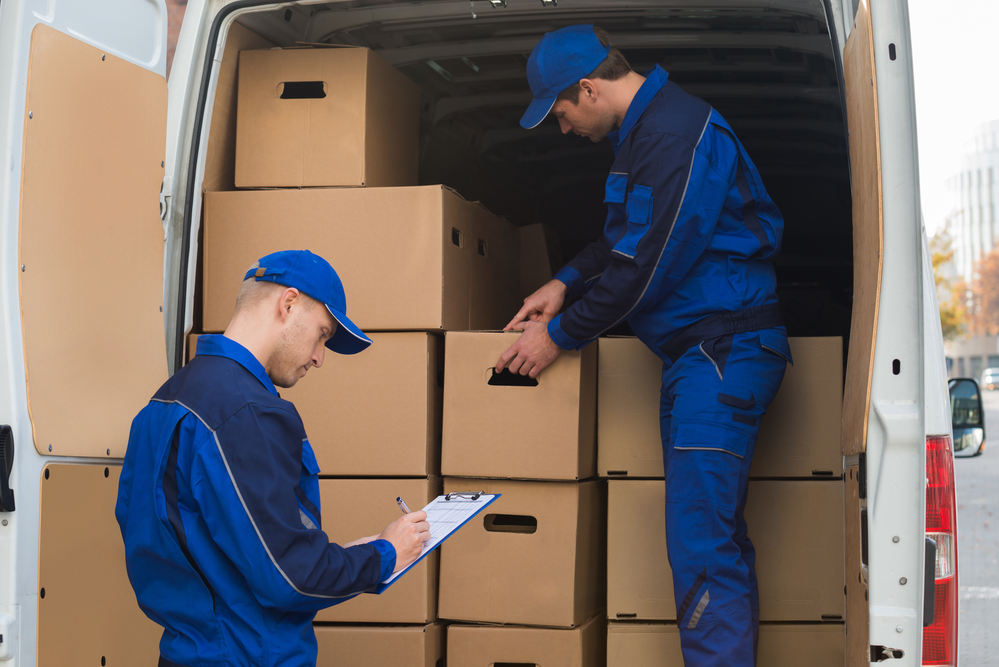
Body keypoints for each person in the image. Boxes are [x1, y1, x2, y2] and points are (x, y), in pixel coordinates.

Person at [497, 25, 792, 666]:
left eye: (561, 112)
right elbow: (622, 243)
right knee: (710, 536)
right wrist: (562, 282)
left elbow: (645, 269)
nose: (563, 128)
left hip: (724, 353)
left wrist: (558, 335)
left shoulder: (672, 133)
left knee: (700, 541)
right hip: (702, 357)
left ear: (588, 87)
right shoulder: (647, 134)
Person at [116, 249, 431, 667]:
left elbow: (218, 548)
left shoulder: (165, 401)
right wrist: (384, 555)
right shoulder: (245, 411)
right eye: (322, 333)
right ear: (288, 304)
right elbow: (289, 578)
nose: (320, 357)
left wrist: (338, 556)